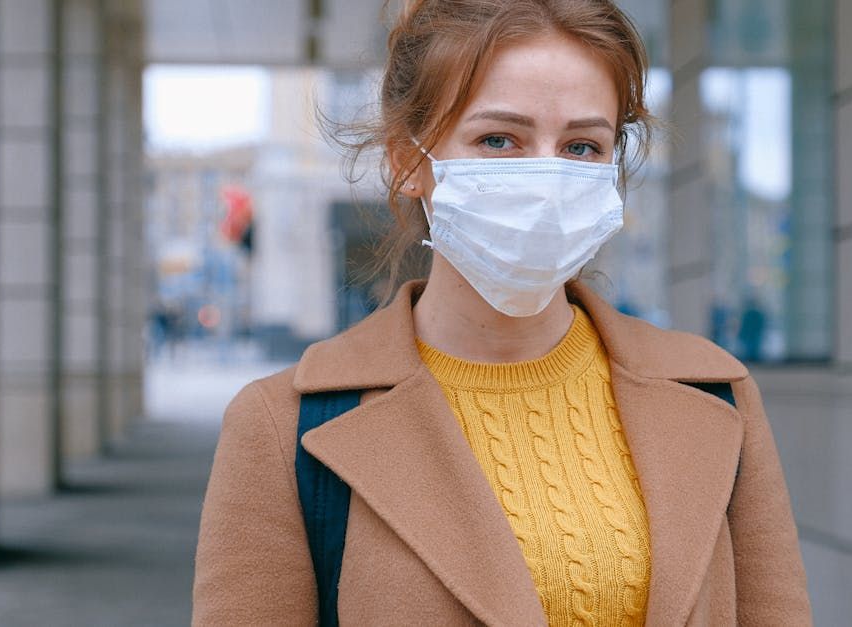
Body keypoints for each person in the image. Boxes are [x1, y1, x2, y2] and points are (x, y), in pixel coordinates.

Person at [193, 1, 811, 625]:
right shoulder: (283, 428)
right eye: (499, 140)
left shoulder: (713, 392)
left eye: (581, 146)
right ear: (407, 162)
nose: (545, 179)